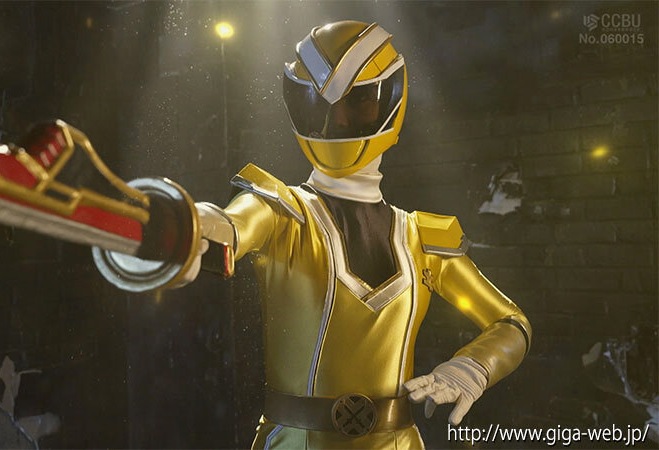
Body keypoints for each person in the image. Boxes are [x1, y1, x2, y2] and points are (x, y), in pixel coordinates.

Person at [100, 19, 532, 449]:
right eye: (320, 106)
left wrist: (474, 367)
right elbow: (227, 228)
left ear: (390, 99)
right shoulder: (279, 210)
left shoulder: (424, 239)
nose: (335, 120)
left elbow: (510, 323)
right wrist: (169, 226)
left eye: (355, 103)